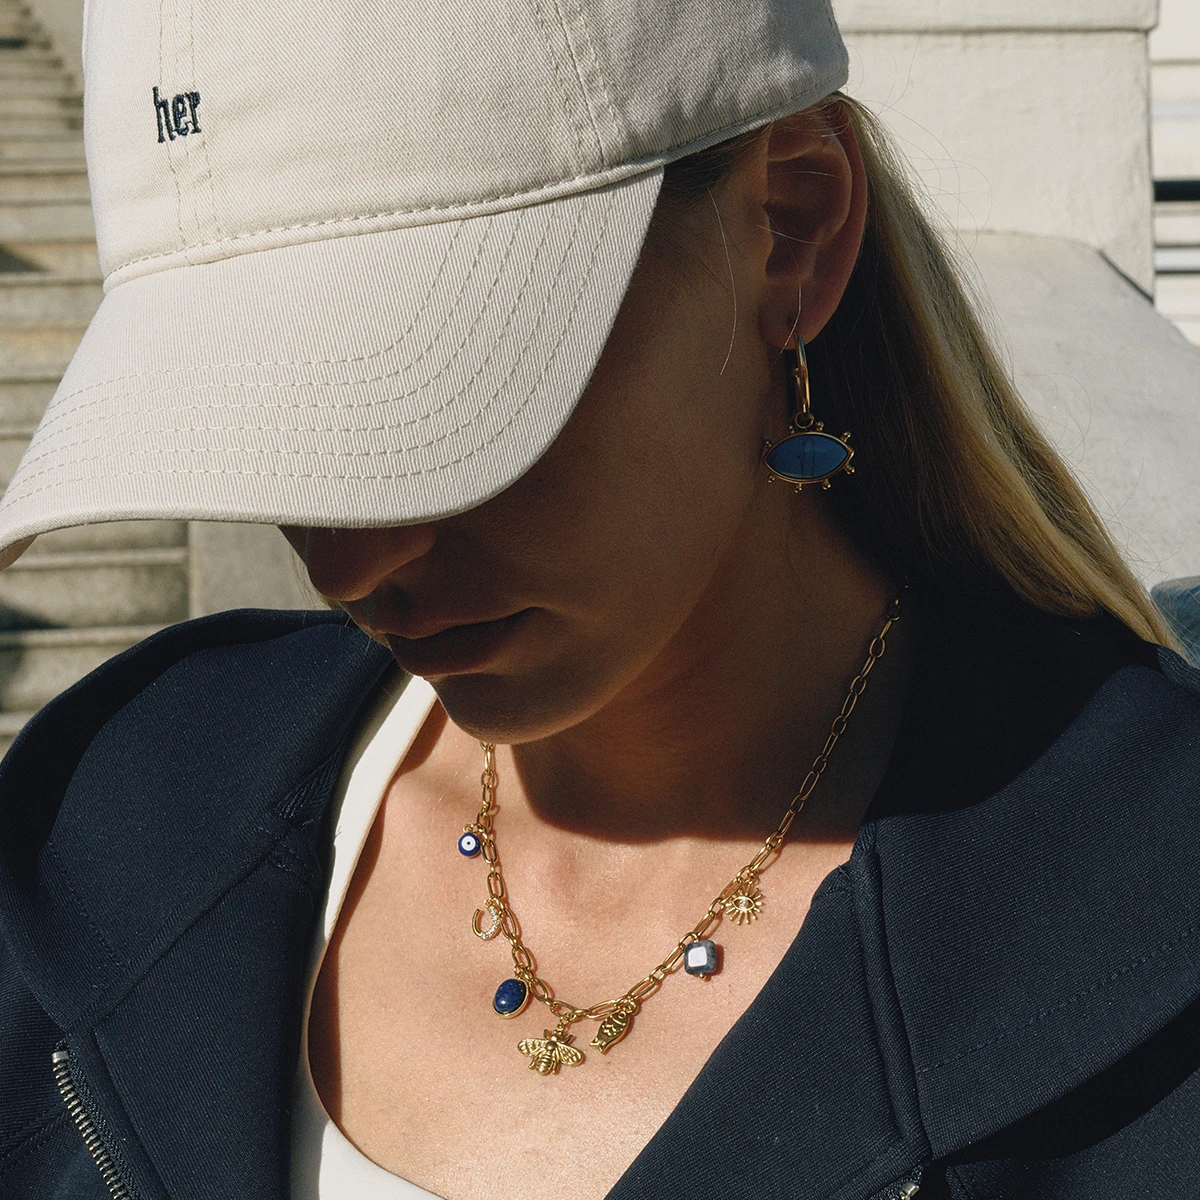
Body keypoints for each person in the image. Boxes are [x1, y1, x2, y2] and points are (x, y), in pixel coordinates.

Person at [1, 0, 1198, 1198]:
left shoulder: (1150, 935)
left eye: (445, 396)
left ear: (790, 225)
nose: (346, 565)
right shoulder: (108, 829)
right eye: (257, 422)